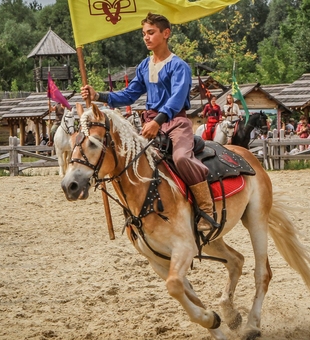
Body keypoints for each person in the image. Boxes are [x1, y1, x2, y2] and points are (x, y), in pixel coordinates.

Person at [81, 12, 216, 232]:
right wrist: (99, 96)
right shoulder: (144, 66)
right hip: (149, 122)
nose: (146, 37)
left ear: (166, 33)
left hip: (176, 122)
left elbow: (177, 98)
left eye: (151, 33)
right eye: (144, 33)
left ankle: (206, 207)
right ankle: (138, 210)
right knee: (128, 159)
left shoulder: (179, 66)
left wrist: (159, 121)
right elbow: (129, 95)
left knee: (181, 158)